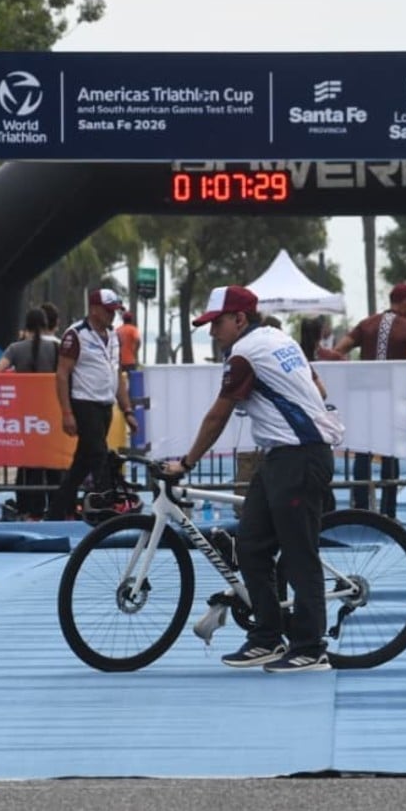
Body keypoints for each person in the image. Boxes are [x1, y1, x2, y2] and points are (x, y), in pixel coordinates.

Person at [163, 285, 344, 673]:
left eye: (216, 324)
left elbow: (218, 415)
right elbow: (319, 387)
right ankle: (266, 638)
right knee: (251, 546)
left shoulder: (243, 354)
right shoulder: (279, 338)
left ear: (240, 319)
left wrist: (186, 463)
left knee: (299, 556)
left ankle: (311, 648)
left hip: (297, 458)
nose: (212, 333)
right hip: (285, 457)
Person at [333, 282, 406, 516]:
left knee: (363, 452)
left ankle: (361, 509)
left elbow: (336, 352)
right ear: (403, 302)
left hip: (363, 400)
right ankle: (389, 513)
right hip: (394, 400)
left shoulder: (366, 325)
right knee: (390, 454)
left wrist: (354, 374)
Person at [48, 288, 136, 521]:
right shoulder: (76, 334)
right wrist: (67, 412)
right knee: (99, 455)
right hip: (84, 403)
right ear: (94, 309)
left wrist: (127, 410)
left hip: (105, 406)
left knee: (82, 463)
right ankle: (108, 507)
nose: (112, 315)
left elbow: (116, 374)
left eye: (115, 311)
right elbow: (62, 374)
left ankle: (56, 512)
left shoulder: (115, 337)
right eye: (108, 311)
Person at [0, 307, 62, 519]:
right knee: (54, 463)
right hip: (53, 413)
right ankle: (57, 508)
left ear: (26, 326)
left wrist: (17, 377)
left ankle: (30, 510)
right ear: (45, 325)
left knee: (28, 464)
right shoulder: (57, 348)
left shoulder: (15, 348)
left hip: (25, 416)